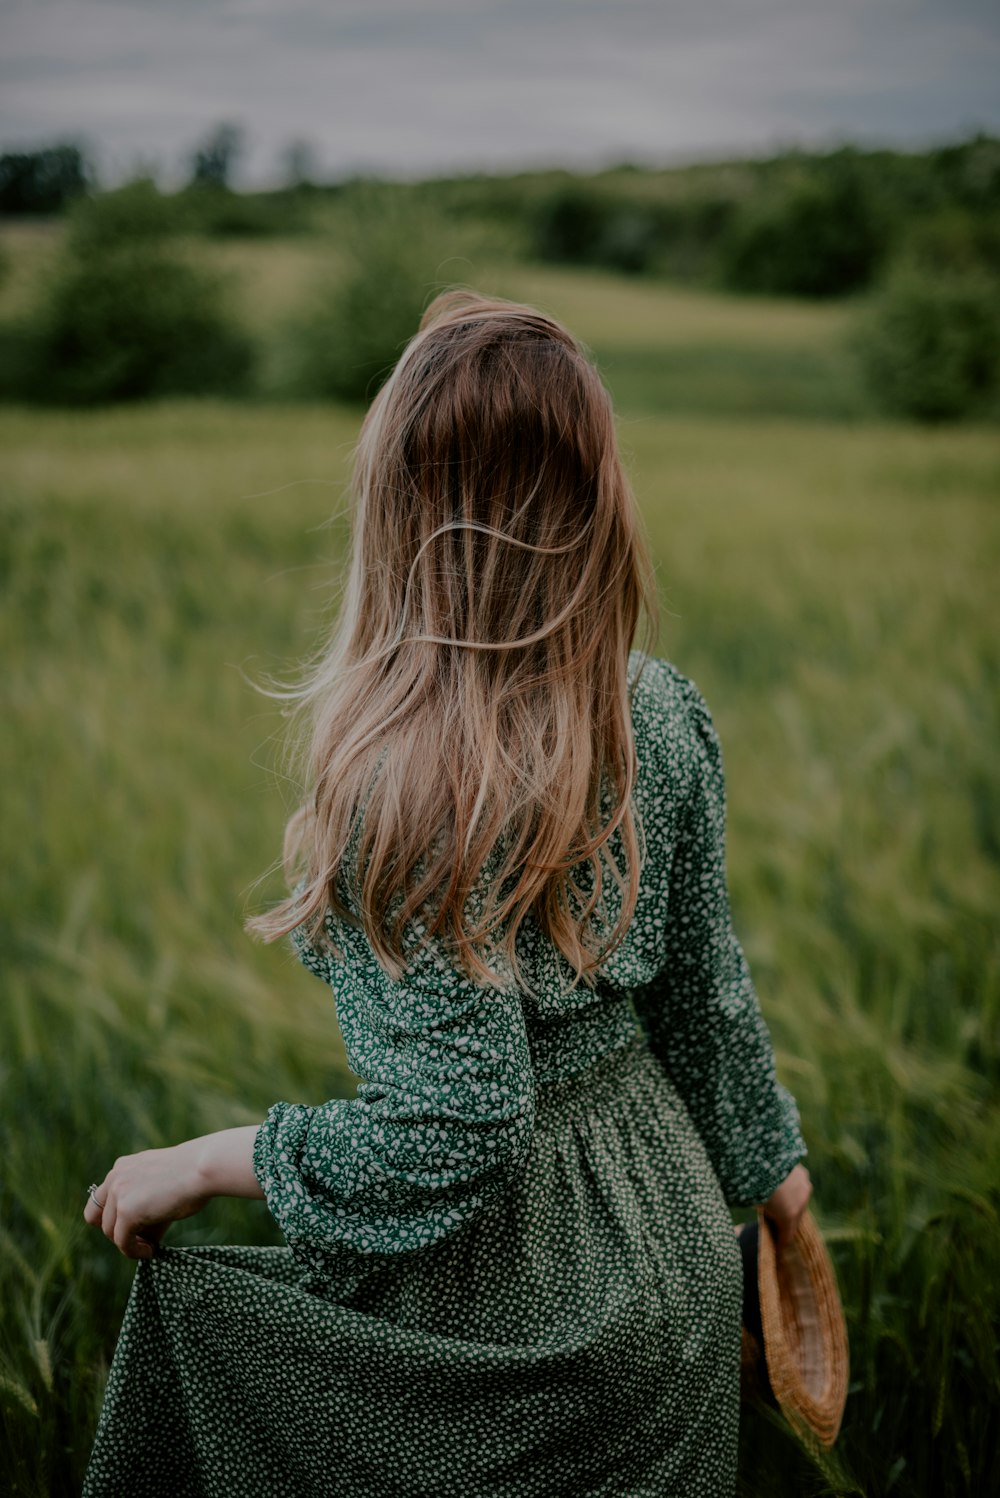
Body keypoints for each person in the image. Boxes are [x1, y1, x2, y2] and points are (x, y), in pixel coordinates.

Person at [82, 290, 810, 1497]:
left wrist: (207, 1159)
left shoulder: (405, 790)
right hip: (676, 1249)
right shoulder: (657, 710)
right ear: (595, 504)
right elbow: (707, 996)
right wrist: (772, 1177)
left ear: (397, 511)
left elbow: (458, 1123)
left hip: (528, 1301)